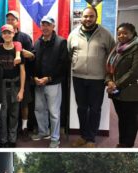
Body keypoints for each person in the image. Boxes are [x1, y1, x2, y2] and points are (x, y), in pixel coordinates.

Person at [68, 6, 115, 148]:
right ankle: (83, 136)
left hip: (98, 79)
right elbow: (70, 53)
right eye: (86, 16)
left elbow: (112, 57)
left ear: (96, 17)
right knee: (81, 108)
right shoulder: (73, 34)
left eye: (91, 16)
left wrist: (109, 77)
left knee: (95, 109)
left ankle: (91, 138)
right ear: (81, 18)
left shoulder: (105, 34)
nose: (88, 19)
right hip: (78, 77)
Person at [31, 16, 68, 148]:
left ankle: (55, 138)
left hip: (53, 83)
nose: (45, 27)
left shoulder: (61, 42)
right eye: (43, 24)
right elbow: (34, 62)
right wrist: (35, 77)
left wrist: (49, 78)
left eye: (48, 25)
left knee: (54, 112)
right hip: (38, 83)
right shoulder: (37, 42)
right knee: (39, 109)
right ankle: (43, 132)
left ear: (53, 27)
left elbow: (63, 65)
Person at [0, 10, 34, 141]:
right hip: (5, 79)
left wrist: (21, 51)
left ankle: (24, 127)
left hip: (21, 76)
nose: (10, 21)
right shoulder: (2, 36)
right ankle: (8, 134)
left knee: (23, 102)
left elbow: (32, 55)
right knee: (6, 108)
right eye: (8, 19)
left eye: (12, 19)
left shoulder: (24, 38)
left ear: (17, 21)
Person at [105, 23, 138, 147]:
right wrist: (108, 81)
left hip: (131, 92)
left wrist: (115, 84)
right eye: (119, 33)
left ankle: (128, 145)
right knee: (122, 118)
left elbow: (134, 72)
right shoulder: (117, 47)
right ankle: (122, 143)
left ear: (132, 34)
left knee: (130, 120)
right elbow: (109, 67)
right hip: (117, 92)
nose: (121, 35)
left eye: (125, 33)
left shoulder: (136, 47)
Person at [0, 24, 25, 148]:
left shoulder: (18, 50)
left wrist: (22, 90)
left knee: (14, 114)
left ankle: (12, 139)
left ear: (13, 34)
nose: (7, 35)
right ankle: (3, 139)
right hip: (1, 85)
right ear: (2, 35)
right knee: (2, 114)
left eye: (9, 33)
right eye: (4, 33)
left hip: (15, 85)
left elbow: (23, 71)